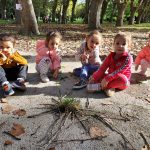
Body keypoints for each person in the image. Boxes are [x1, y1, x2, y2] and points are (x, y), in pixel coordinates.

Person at [87, 32, 133, 97]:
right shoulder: (110, 56)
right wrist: (94, 77)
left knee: (123, 79)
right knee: (99, 75)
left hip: (120, 81)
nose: (120, 46)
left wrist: (107, 79)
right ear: (113, 44)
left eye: (124, 44)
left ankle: (100, 87)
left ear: (129, 47)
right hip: (109, 78)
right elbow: (102, 68)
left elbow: (120, 71)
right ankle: (109, 88)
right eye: (117, 43)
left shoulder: (128, 58)